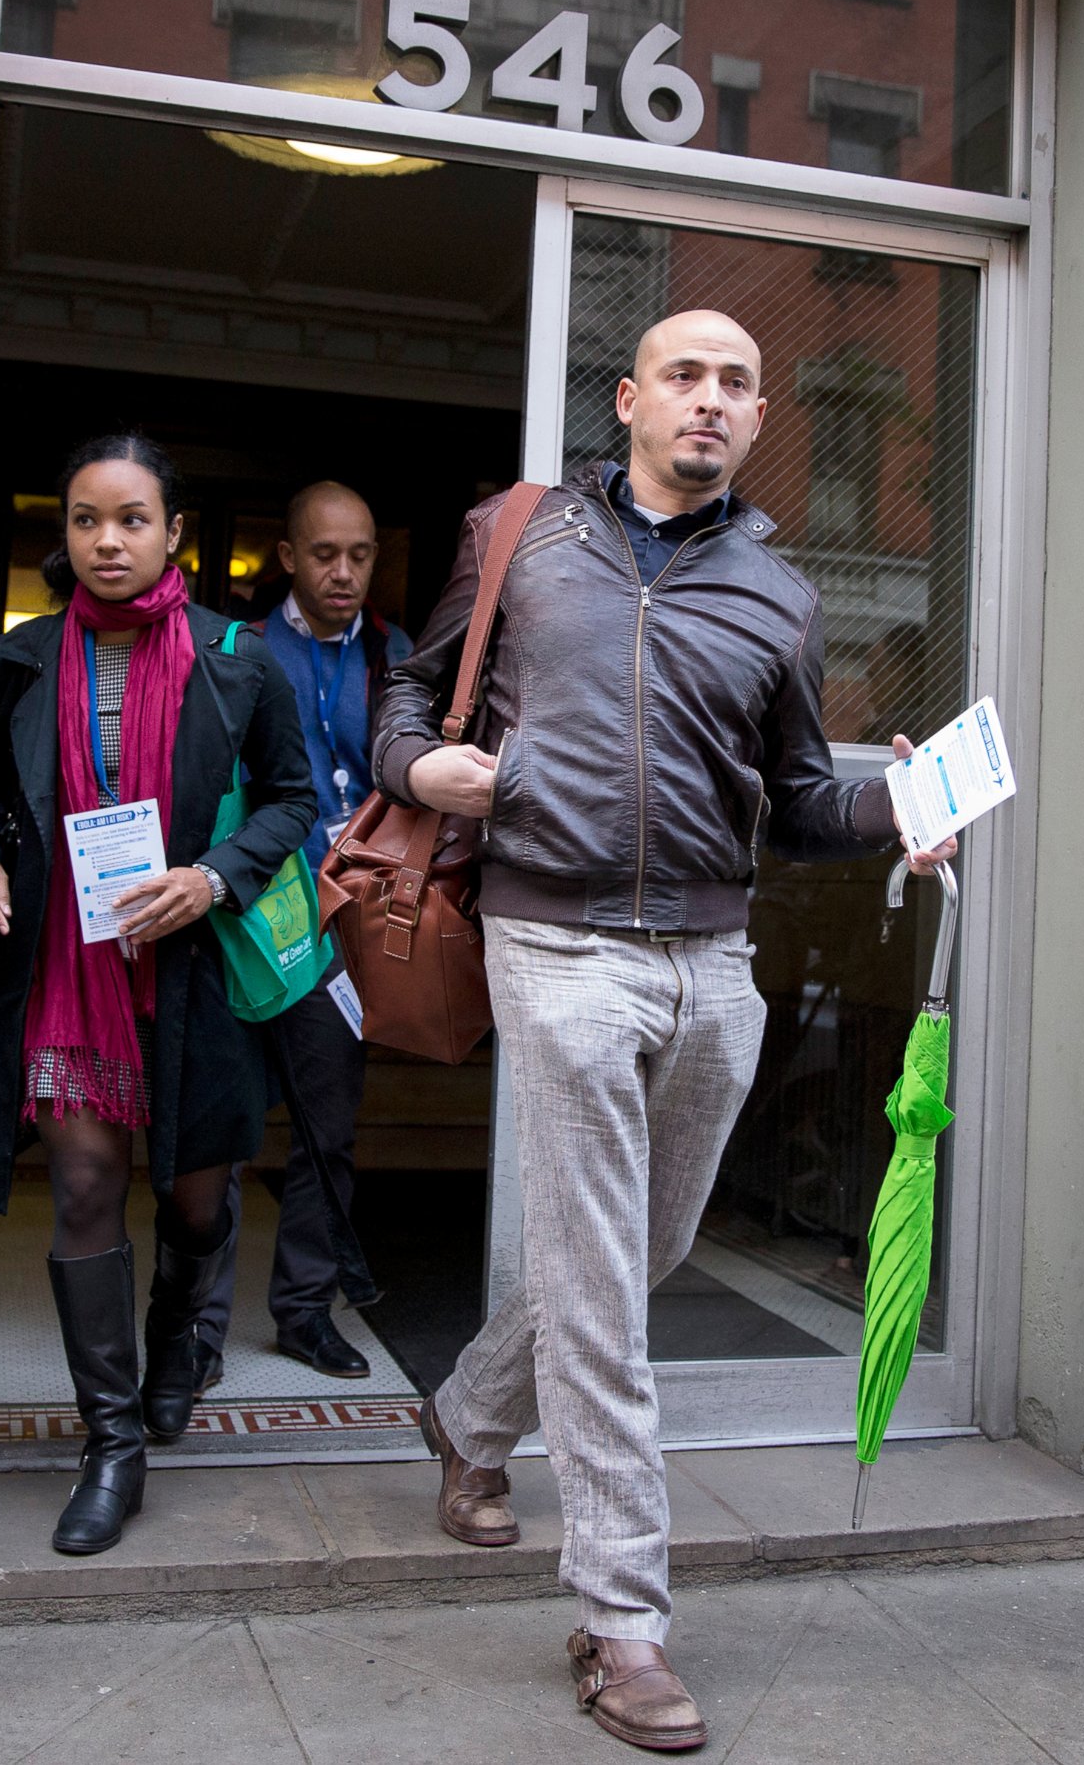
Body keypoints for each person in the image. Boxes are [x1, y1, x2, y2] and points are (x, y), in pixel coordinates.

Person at [371, 311, 958, 1752]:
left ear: (760, 420)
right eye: (684, 376)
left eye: (738, 384)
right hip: (552, 935)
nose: (709, 399)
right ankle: (623, 1618)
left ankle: (466, 1412)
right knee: (605, 1293)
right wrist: (416, 762)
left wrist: (904, 809)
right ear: (630, 399)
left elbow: (804, 797)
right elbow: (403, 686)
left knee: (641, 1246)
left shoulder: (778, 595)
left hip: (711, 954)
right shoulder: (523, 536)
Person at [0, 433, 316, 1557]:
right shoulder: (25, 655)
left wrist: (212, 876)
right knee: (86, 1185)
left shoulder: (235, 657)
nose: (107, 540)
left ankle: (175, 1341)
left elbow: (292, 800)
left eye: (131, 519)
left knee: (200, 1203)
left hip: (189, 967)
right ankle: (112, 1443)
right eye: (84, 520)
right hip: (65, 963)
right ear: (63, 533)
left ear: (173, 533)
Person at [193, 483, 412, 1383]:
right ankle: (196, 1330)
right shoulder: (237, 650)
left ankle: (303, 1313)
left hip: (343, 933)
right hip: (247, 919)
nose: (344, 572)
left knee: (327, 1130)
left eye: (360, 555)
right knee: (221, 1128)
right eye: (325, 554)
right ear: (288, 556)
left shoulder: (392, 656)